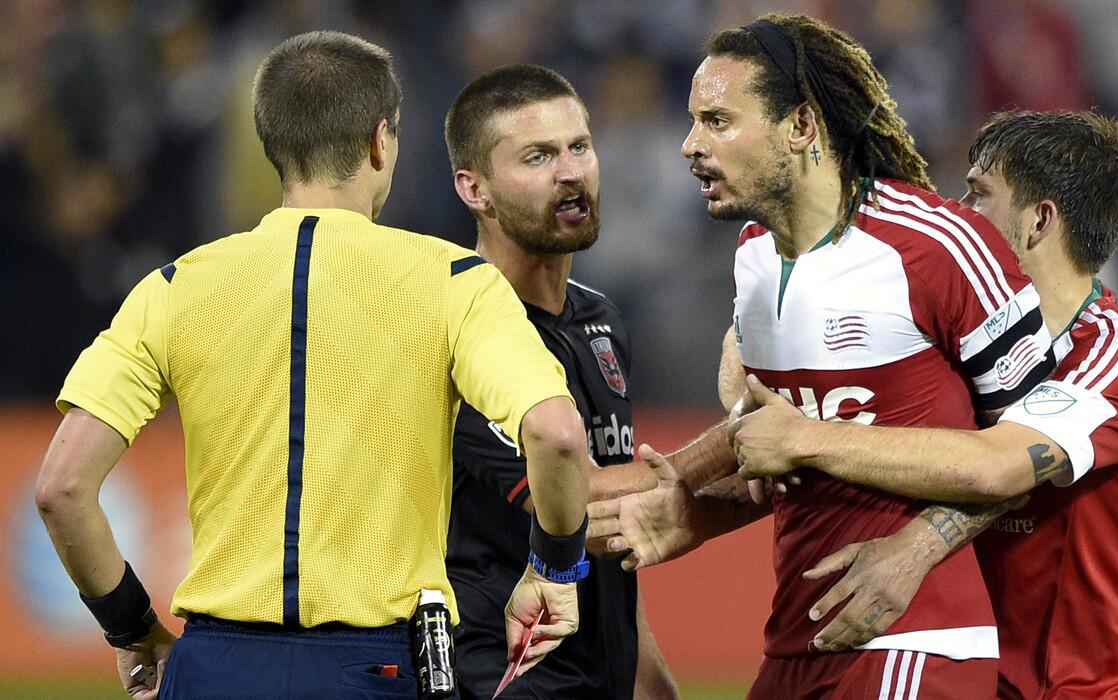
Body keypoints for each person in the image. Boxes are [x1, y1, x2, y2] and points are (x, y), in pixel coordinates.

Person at [33, 32, 593, 700]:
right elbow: (556, 435)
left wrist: (133, 629)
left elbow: (62, 489)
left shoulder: (175, 287)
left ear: (275, 147)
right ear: (382, 140)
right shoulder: (453, 281)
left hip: (214, 667)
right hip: (378, 667)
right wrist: (553, 569)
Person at [598, 12, 1058, 698]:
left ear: (802, 126)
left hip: (914, 636)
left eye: (719, 121)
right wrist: (693, 505)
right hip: (800, 638)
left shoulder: (936, 244)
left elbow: (1042, 445)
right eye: (694, 121)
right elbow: (789, 453)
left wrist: (915, 550)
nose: (690, 145)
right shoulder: (753, 256)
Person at [731, 110, 1118, 698]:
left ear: (1039, 220)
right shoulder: (957, 354)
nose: (954, 210)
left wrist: (912, 543)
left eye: (978, 194)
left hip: (1106, 690)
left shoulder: (1113, 351)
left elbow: (997, 465)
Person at [441, 63, 678, 700]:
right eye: (539, 155)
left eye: (579, 146)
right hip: (505, 669)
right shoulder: (461, 333)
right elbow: (584, 508)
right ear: (476, 190)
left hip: (598, 671)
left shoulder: (601, 318)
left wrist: (645, 671)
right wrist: (732, 453)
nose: (571, 171)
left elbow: (619, 524)